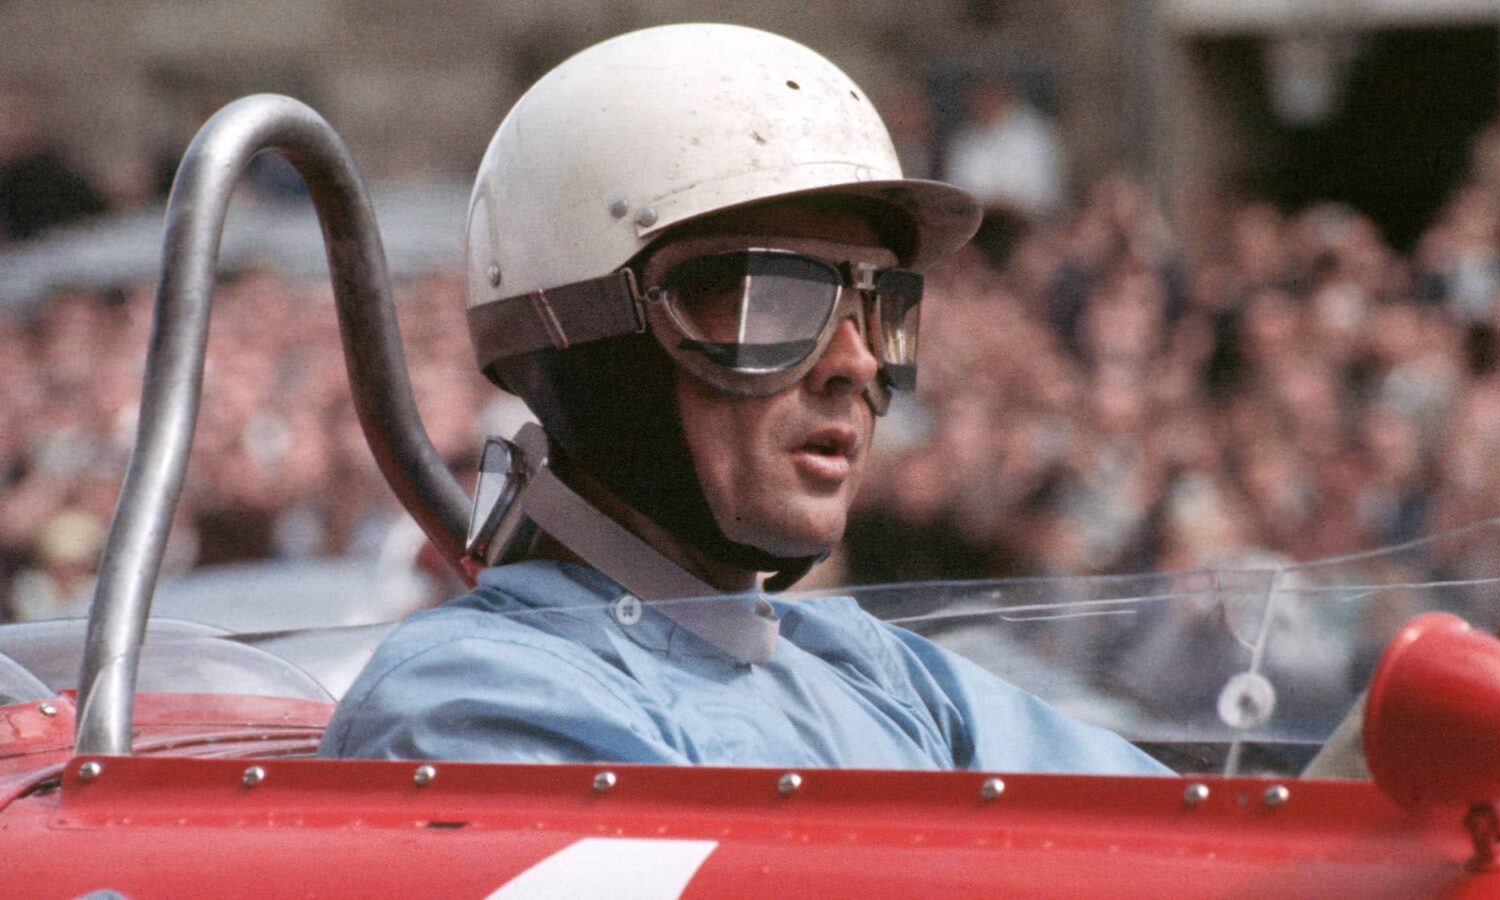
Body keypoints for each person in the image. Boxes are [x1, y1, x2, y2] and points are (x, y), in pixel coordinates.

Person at [320, 24, 1165, 775]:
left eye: (880, 305)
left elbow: (1191, 832)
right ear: (601, 354)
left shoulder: (870, 669)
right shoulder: (475, 699)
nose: (856, 362)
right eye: (771, 300)